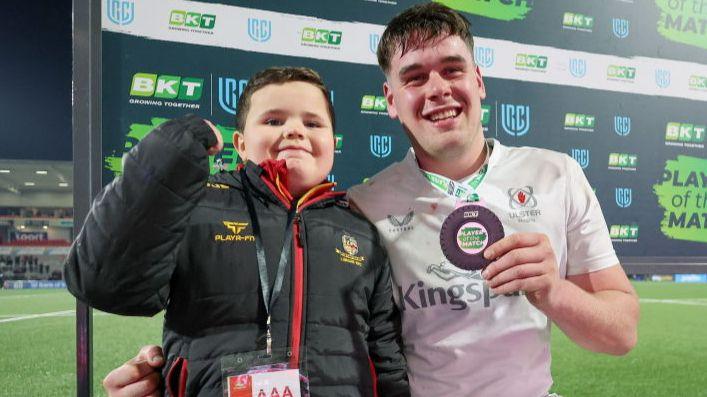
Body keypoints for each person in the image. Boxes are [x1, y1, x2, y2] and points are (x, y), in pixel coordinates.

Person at [104, 3, 639, 397]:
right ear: (390, 100)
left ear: (478, 80)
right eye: (414, 77)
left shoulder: (556, 174)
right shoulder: (363, 207)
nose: (437, 89)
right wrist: (177, 370)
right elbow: (284, 307)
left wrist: (554, 293)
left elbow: (621, 335)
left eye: (452, 69)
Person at [65, 67, 409, 397]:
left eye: (312, 122)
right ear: (241, 144)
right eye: (273, 120)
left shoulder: (361, 230)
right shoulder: (198, 204)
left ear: (333, 143)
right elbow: (106, 284)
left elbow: (385, 358)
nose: (294, 130)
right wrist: (163, 164)